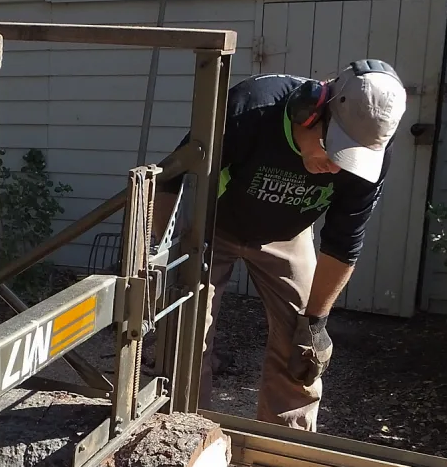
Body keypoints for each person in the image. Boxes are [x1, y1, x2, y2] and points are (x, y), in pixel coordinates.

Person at [156, 59, 407, 431]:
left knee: (302, 350)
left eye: (349, 158)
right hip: (211, 228)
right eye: (333, 149)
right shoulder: (249, 110)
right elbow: (171, 179)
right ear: (310, 111)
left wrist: (317, 322)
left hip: (287, 233)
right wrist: (157, 259)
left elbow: (343, 243)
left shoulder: (371, 155)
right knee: (185, 339)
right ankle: (181, 442)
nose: (337, 168)